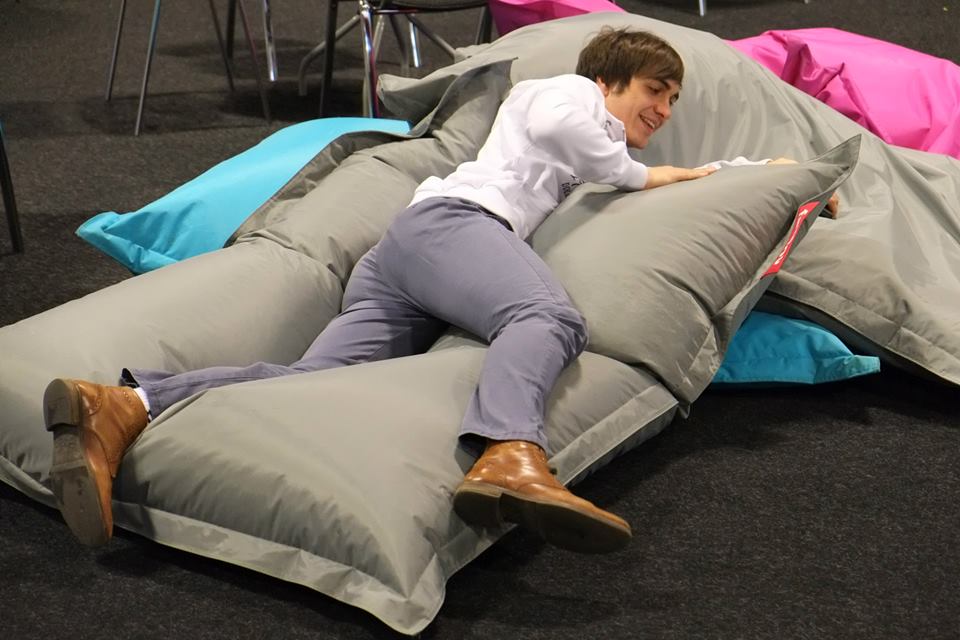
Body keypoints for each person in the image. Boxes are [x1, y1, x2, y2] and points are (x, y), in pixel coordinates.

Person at [42, 27, 838, 553]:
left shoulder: (600, 139)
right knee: (548, 315)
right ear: (609, 78)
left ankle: (124, 405)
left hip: (408, 258)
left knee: (312, 381)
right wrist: (625, 167)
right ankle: (508, 453)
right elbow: (582, 139)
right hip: (451, 229)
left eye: (672, 100)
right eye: (654, 93)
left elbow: (671, 178)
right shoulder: (564, 95)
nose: (663, 110)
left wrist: (770, 176)